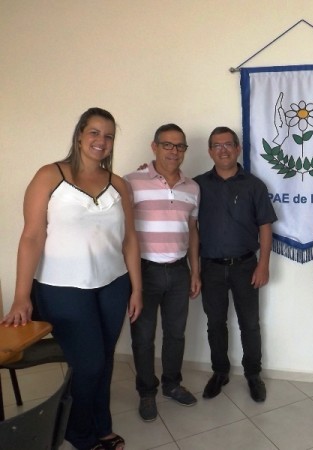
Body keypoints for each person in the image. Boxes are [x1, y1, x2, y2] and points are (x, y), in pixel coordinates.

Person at [1, 107, 142, 450]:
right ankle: (78, 433)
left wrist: (136, 288)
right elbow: (32, 236)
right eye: (94, 132)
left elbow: (130, 240)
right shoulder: (50, 176)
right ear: (79, 135)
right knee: (88, 363)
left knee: (104, 360)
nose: (101, 140)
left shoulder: (119, 184)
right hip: (62, 289)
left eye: (108, 135)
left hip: (112, 285)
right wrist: (22, 296)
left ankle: (101, 424)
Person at [193, 126, 277, 402]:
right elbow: (189, 224)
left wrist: (263, 264)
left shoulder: (254, 185)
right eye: (217, 145)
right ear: (210, 151)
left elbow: (265, 226)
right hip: (211, 267)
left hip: (245, 266)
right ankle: (220, 372)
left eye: (228, 144)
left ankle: (253, 375)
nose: (223, 150)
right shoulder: (197, 186)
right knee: (215, 323)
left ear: (238, 148)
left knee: (249, 324)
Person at [124, 124, 201, 422]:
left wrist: (195, 271)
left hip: (179, 271)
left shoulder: (192, 187)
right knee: (142, 338)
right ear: (153, 146)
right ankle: (147, 392)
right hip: (143, 272)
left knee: (176, 334)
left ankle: (172, 384)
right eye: (167, 145)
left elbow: (193, 231)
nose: (174, 151)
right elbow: (124, 231)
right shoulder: (131, 182)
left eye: (180, 146)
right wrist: (132, 282)